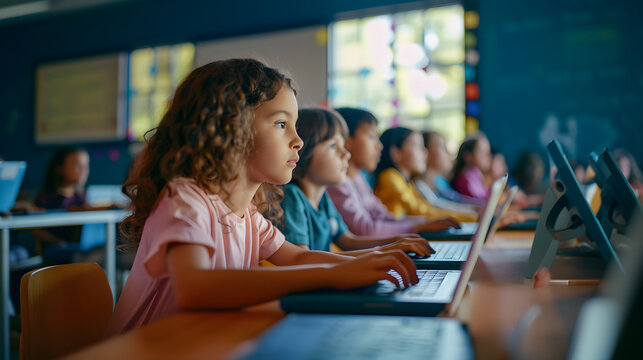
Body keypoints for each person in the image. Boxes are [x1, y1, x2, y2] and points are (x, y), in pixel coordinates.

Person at [107, 59, 419, 335]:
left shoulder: (248, 214)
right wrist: (334, 272)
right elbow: (195, 288)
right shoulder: (186, 199)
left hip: (199, 340)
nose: (298, 141)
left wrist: (370, 262)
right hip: (143, 349)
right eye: (282, 124)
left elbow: (296, 257)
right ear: (230, 128)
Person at [279, 107, 437, 254]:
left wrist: (396, 243)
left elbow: (349, 241)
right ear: (304, 149)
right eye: (334, 146)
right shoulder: (292, 197)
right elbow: (302, 260)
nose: (345, 154)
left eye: (343, 145)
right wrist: (382, 252)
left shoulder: (323, 198)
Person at [326, 108, 460, 237]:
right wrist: (420, 226)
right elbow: (364, 229)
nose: (379, 146)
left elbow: (382, 215)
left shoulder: (359, 178)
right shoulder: (337, 182)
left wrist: (423, 223)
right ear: (348, 142)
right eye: (372, 137)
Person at [373, 127, 478, 222]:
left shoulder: (407, 183)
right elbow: (419, 210)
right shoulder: (390, 177)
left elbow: (426, 208)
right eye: (416, 146)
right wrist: (473, 217)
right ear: (396, 153)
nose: (425, 152)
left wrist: (472, 215)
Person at [33, 146, 90, 262]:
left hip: (81, 247)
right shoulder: (46, 199)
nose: (83, 170)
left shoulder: (81, 198)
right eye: (77, 165)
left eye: (86, 165)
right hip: (57, 249)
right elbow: (35, 229)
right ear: (60, 168)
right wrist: (57, 241)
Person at [414, 130, 481, 212]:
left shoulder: (437, 183)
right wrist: (476, 209)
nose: (449, 153)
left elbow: (456, 200)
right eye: (442, 147)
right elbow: (439, 208)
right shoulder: (419, 187)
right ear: (426, 151)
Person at [451, 133, 492, 201]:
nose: (487, 156)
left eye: (488, 152)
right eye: (482, 152)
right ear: (468, 156)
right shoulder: (464, 181)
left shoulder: (478, 176)